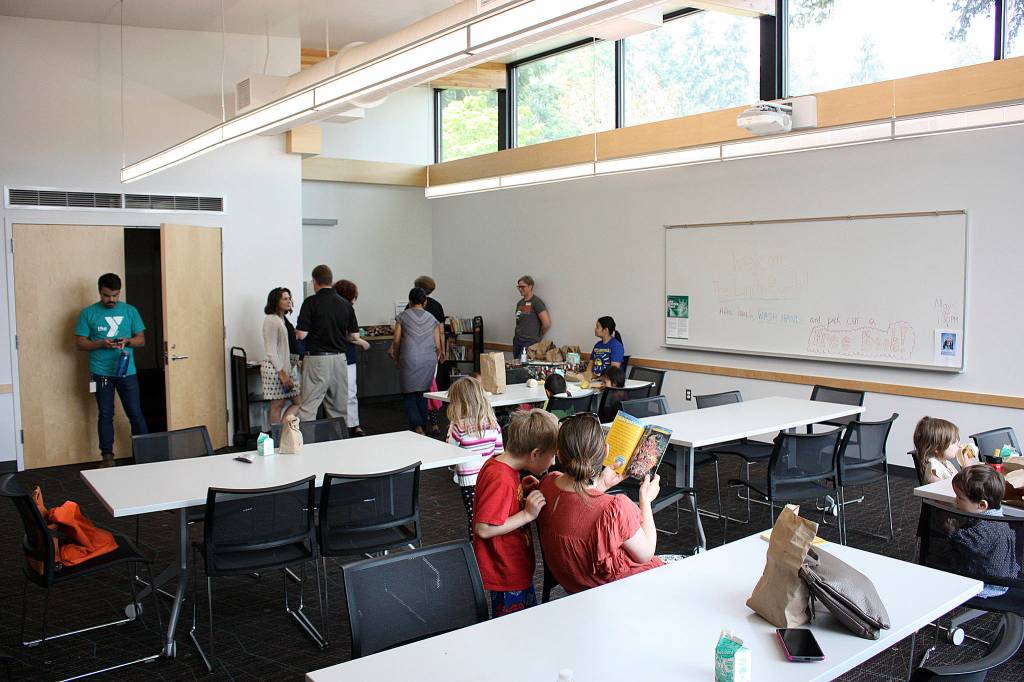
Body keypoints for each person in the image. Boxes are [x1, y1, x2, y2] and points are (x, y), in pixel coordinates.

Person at [537, 413, 663, 594]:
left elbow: (579, 506)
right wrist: (646, 501)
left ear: (559, 455)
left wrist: (601, 485)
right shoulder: (614, 509)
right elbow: (647, 553)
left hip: (579, 592)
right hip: (625, 594)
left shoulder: (548, 485)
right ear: (606, 451)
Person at [473, 409, 559, 617]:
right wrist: (527, 515)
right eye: (552, 456)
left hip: (511, 565)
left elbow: (497, 507)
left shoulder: (501, 466)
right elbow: (483, 528)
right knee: (514, 626)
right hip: (505, 570)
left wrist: (520, 491)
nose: (554, 463)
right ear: (535, 454)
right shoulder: (500, 478)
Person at [74, 273, 148, 467]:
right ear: (100, 291)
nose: (111, 300)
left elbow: (141, 339)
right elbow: (80, 343)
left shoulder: (130, 311)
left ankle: (146, 456)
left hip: (126, 371)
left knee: (135, 413)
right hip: (100, 372)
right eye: (107, 295)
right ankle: (107, 457)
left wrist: (128, 341)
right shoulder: (87, 313)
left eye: (115, 295)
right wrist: (100, 344)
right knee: (106, 414)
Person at [294, 265, 368, 423]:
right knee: (338, 408)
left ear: (315, 281)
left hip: (317, 359)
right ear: (330, 280)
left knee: (309, 406)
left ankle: (308, 445)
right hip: (340, 359)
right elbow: (354, 335)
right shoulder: (345, 304)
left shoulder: (311, 302)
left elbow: (302, 334)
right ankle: (338, 443)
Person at [947, 465, 1020, 598]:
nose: (955, 500)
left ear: (982, 505)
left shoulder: (989, 528)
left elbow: (966, 544)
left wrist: (952, 531)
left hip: (990, 583)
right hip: (1003, 575)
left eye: (959, 498)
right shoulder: (997, 517)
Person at [446, 376, 504, 536]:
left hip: (469, 481)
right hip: (490, 478)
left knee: (473, 517)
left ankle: (474, 546)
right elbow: (499, 453)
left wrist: (450, 430)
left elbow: (450, 451)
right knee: (488, 514)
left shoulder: (458, 427)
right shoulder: (493, 423)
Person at [392, 287, 444, 434]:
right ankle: (422, 426)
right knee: (423, 394)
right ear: (425, 301)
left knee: (409, 394)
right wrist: (437, 356)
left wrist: (396, 357)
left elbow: (396, 341)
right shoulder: (432, 319)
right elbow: (437, 344)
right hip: (428, 359)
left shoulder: (402, 317)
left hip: (408, 358)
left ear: (409, 301)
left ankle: (417, 426)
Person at [412, 275, 446, 436]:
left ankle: (420, 424)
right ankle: (434, 423)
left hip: (415, 353)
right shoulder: (437, 306)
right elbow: (441, 331)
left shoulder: (410, 307)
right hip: (433, 352)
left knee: (417, 390)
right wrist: (443, 349)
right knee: (430, 386)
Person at [261, 288, 301, 425]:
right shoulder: (271, 320)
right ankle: (278, 438)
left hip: (287, 368)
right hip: (276, 369)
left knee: (298, 402)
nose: (289, 301)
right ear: (275, 301)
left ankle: (283, 432)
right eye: (284, 298)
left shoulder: (283, 319)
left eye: (289, 298)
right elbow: (271, 350)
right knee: (277, 405)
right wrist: (282, 373)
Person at [334, 279, 366, 437]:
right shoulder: (346, 309)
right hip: (346, 355)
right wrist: (362, 342)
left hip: (338, 355)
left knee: (340, 393)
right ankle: (352, 425)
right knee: (350, 392)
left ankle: (347, 425)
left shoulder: (340, 309)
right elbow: (352, 335)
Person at [913, 416, 962, 484]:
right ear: (937, 448)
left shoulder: (947, 463)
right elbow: (943, 490)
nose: (959, 445)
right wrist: (967, 467)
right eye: (954, 443)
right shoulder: (933, 469)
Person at [512, 275, 550, 360]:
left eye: (523, 287)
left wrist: (538, 336)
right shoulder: (520, 303)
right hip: (517, 341)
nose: (520, 289)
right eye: (519, 287)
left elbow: (546, 323)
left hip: (529, 342)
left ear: (530, 286)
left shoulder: (536, 302)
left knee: (522, 367)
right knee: (516, 366)